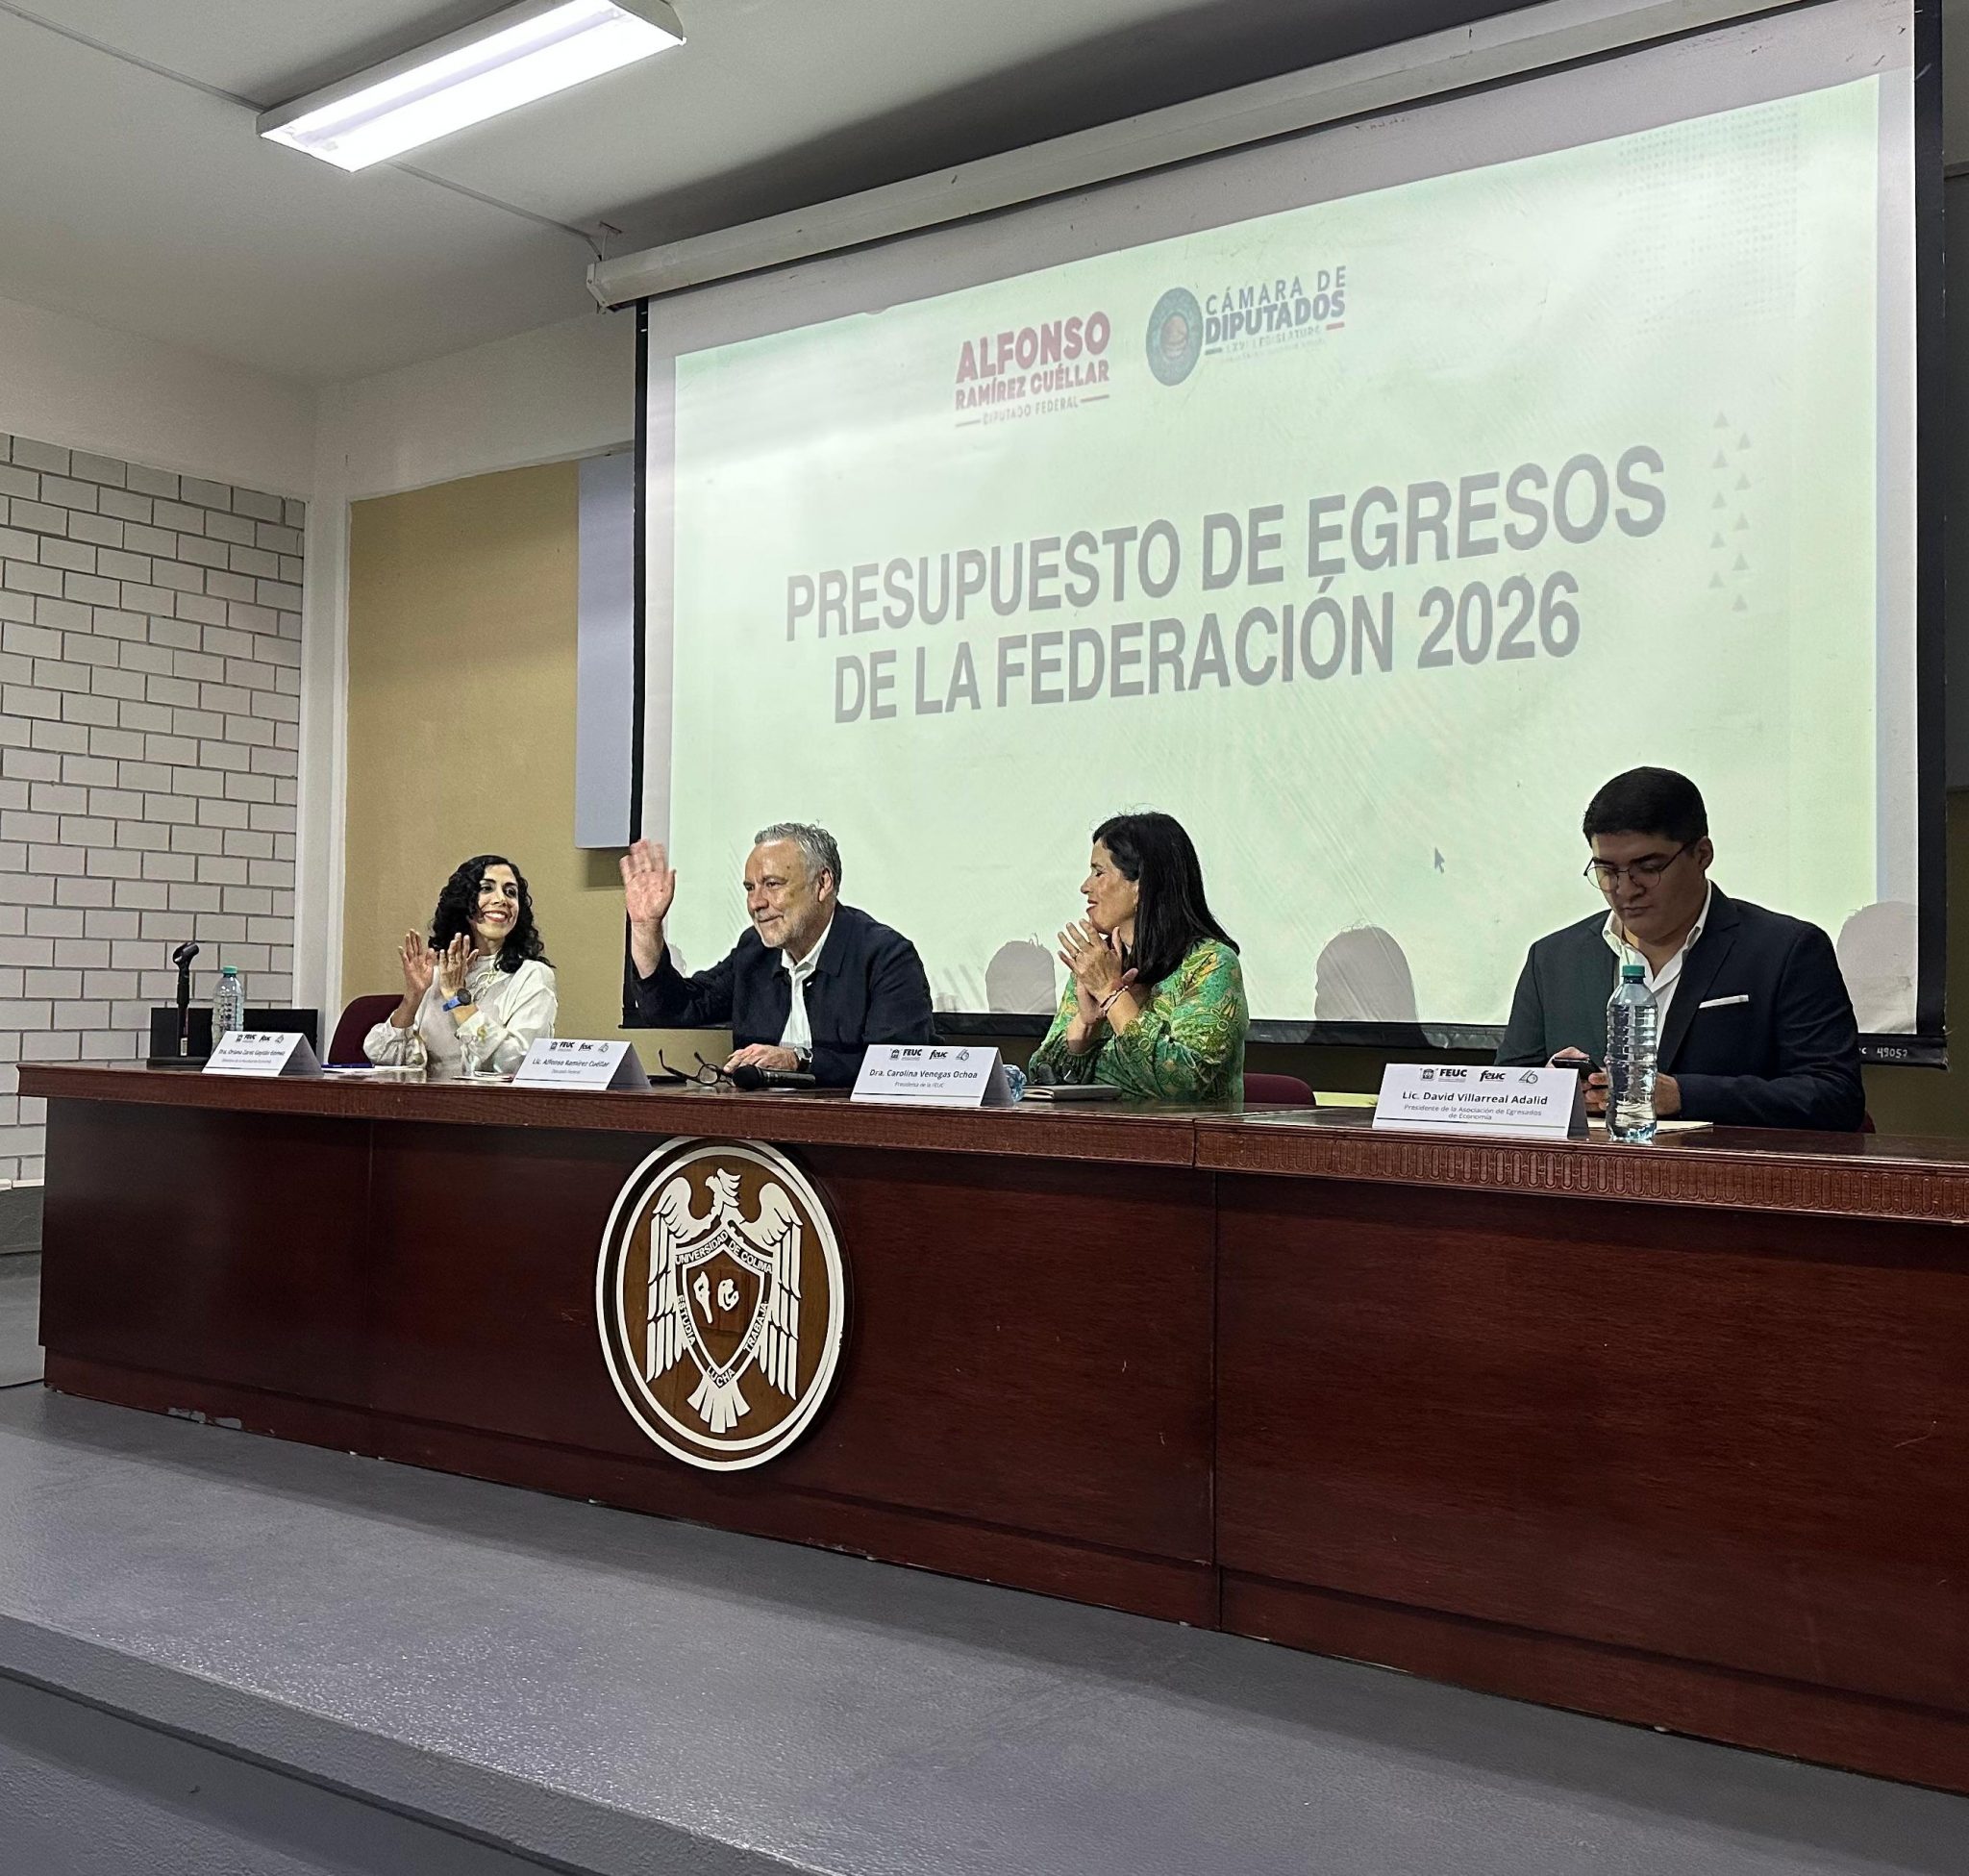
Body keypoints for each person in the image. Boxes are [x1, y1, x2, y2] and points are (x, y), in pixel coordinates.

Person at [1496, 767, 1864, 1131]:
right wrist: (1547, 1089)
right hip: (1584, 1180)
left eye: (1649, 867)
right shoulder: (1554, 958)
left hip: (1724, 1181)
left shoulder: (1785, 950)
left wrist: (1684, 1095)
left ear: (1702, 854)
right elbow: (1504, 1091)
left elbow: (1836, 1097)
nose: (1625, 889)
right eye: (1607, 870)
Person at [621, 822, 934, 1088]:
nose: (756, 902)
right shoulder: (755, 951)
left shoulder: (885, 956)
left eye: (772, 884)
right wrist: (646, 927)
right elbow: (677, 1008)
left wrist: (798, 1061)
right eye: (749, 888)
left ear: (823, 884)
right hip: (761, 1135)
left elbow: (897, 1071)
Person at [1031, 812, 1248, 1103]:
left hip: (1180, 1142)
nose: (1085, 886)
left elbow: (1184, 1082)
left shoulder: (1211, 963)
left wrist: (1112, 994)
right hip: (1090, 1138)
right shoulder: (1098, 963)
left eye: (1099, 872)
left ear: (1141, 885)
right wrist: (1085, 1024)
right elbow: (1041, 1080)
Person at [365, 854, 558, 1074]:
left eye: (510, 892)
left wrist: (457, 997)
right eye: (486, 888)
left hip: (492, 1106)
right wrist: (413, 996)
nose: (501, 899)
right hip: (427, 1103)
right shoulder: (439, 975)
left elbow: (517, 1064)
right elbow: (384, 1061)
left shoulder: (532, 975)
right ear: (463, 900)